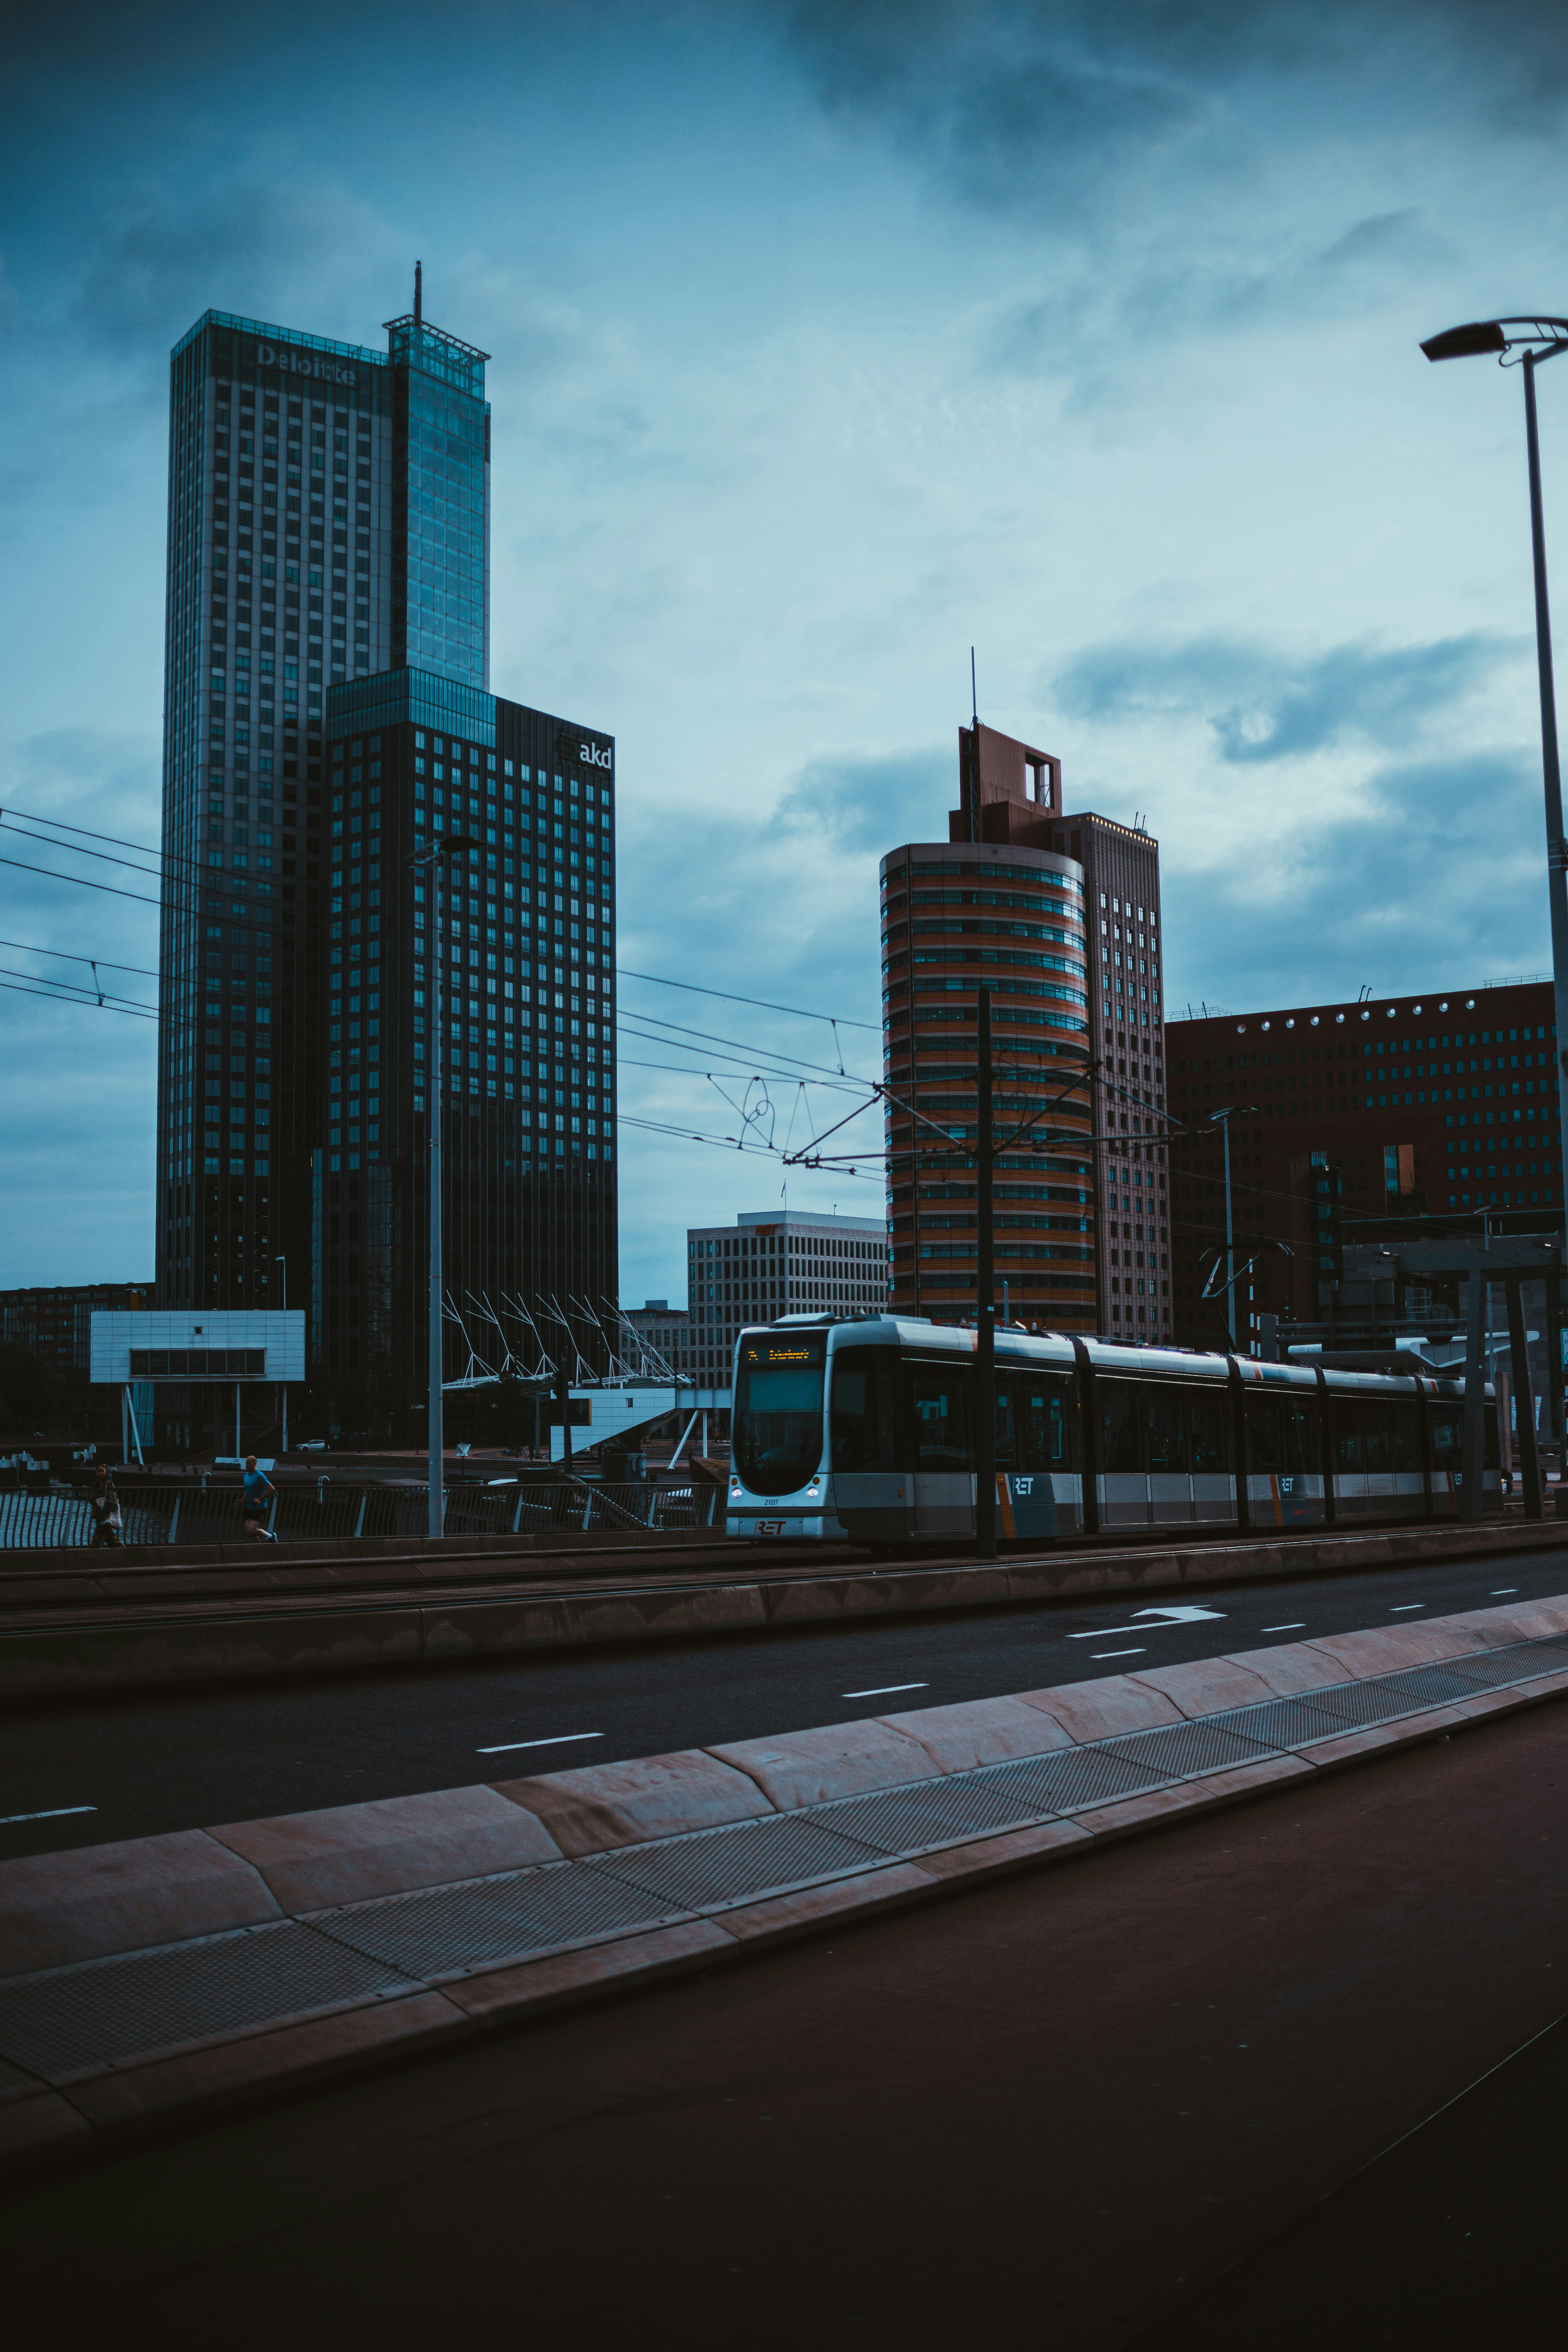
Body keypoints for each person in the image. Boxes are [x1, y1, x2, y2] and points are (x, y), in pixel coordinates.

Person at [242, 1454, 277, 1540]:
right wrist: (242, 1501)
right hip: (249, 1506)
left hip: (259, 1507)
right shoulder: (246, 1476)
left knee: (252, 1530)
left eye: (249, 1463)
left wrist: (260, 1499)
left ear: (255, 1464)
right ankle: (258, 1548)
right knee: (248, 1531)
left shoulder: (259, 1475)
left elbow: (271, 1488)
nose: (247, 1465)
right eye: (246, 1463)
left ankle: (271, 1536)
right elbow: (248, 1490)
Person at [88, 1466, 123, 1549]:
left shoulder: (109, 1484)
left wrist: (105, 1513)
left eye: (102, 1471)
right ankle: (120, 1548)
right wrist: (93, 1498)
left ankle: (94, 1547)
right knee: (109, 1534)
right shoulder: (95, 1485)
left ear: (106, 1472)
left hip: (104, 1513)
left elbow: (110, 1500)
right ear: (96, 1473)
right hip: (99, 1513)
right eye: (99, 1471)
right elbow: (91, 1499)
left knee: (100, 1534)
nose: (101, 1473)